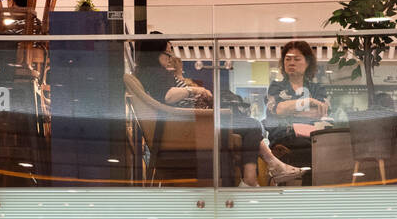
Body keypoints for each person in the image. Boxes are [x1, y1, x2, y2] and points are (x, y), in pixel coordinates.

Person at [133, 36, 301, 187]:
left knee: (249, 125)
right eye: (168, 53)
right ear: (155, 53)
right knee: (251, 124)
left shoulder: (151, 73)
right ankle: (257, 175)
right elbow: (168, 96)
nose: (170, 59)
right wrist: (196, 91)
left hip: (192, 123)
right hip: (193, 126)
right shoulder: (155, 73)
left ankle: (268, 168)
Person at [264, 40, 330, 170]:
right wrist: (308, 102)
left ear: (308, 62)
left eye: (297, 59)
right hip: (283, 138)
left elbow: (320, 113)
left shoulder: (317, 88)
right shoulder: (276, 86)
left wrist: (290, 109)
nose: (291, 63)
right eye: (287, 59)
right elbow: (279, 109)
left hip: (312, 138)